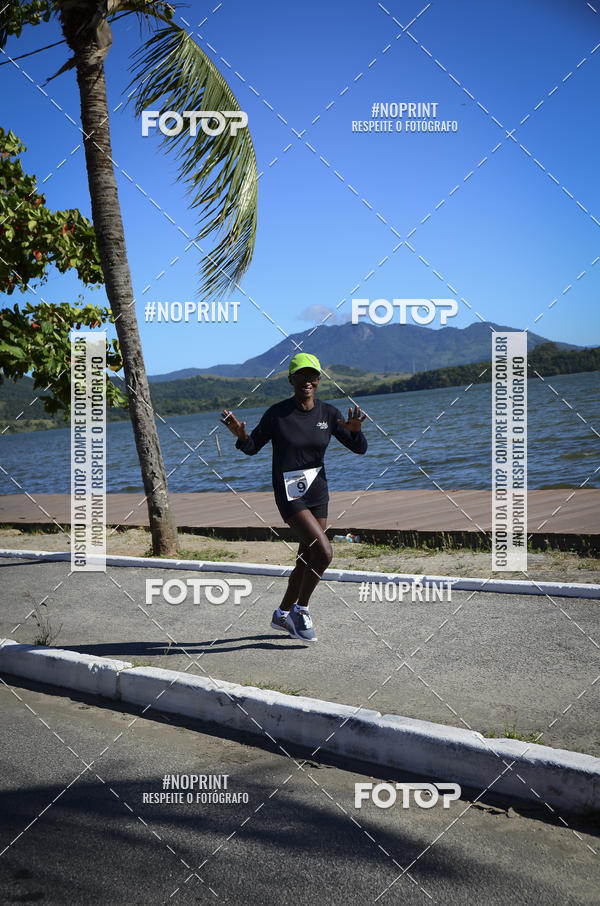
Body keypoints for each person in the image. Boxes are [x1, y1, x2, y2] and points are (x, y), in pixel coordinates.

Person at [220, 352, 367, 642]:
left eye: (313, 375)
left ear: (319, 380)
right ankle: (301, 609)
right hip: (289, 493)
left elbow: (358, 448)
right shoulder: (277, 414)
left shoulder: (328, 413)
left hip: (318, 491)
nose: (308, 381)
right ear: (291, 380)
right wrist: (240, 436)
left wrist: (357, 431)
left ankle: (282, 613)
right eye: (302, 376)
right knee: (323, 552)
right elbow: (252, 447)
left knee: (306, 557)